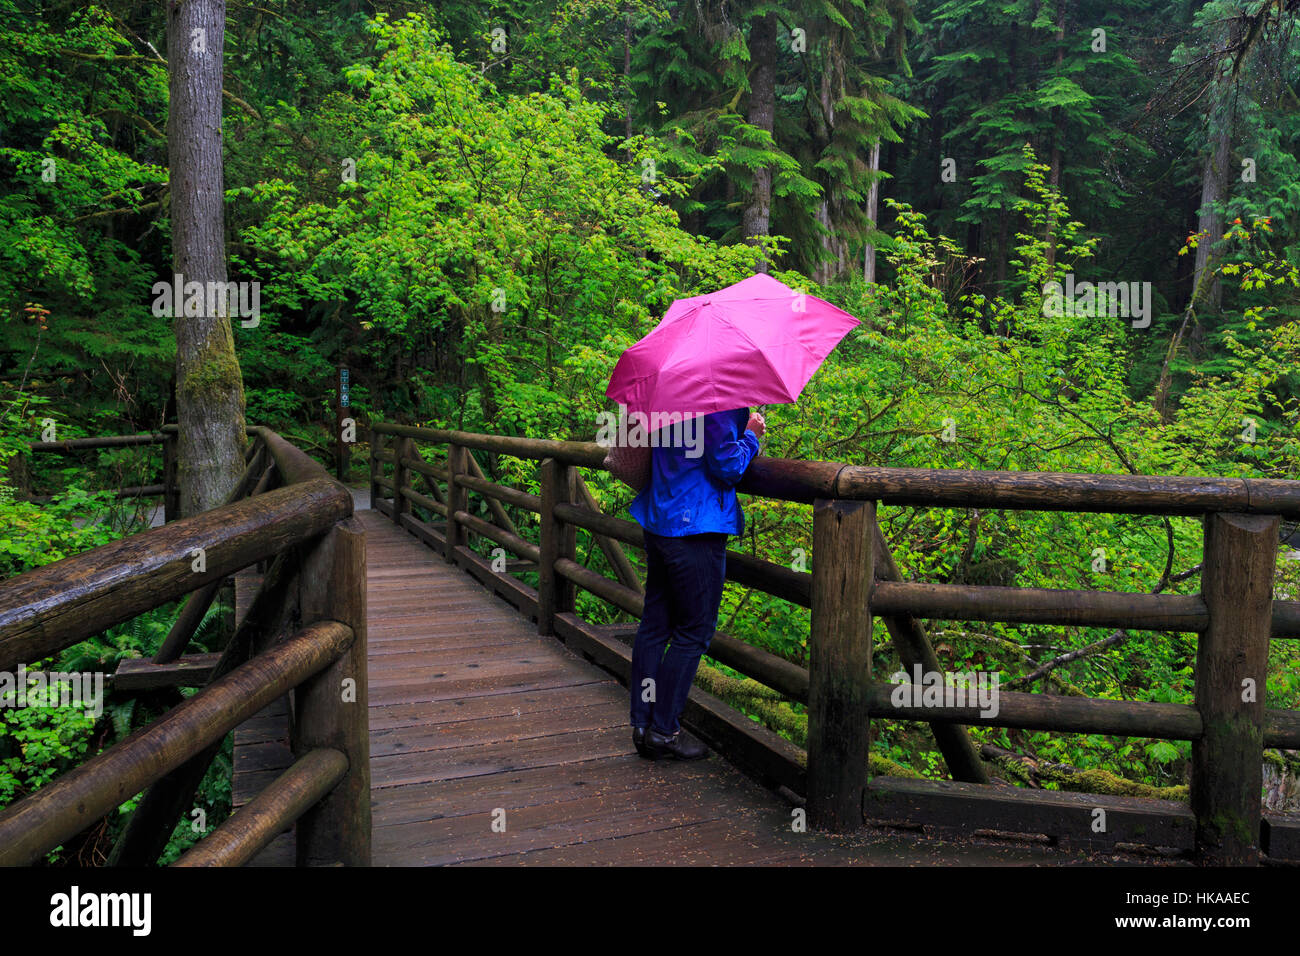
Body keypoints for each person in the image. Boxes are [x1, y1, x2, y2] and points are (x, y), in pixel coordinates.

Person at [627, 407, 765, 760]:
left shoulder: (670, 394)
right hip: (695, 528)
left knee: (655, 626)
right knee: (694, 632)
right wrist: (750, 435)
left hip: (660, 519)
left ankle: (642, 723)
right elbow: (728, 466)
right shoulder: (717, 397)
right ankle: (663, 731)